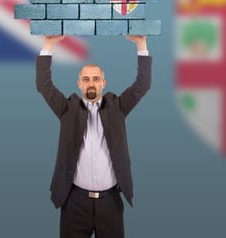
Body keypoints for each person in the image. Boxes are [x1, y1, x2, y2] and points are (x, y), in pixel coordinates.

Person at [36, 35, 152, 238]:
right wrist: (49, 45)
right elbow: (44, 86)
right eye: (87, 79)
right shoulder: (67, 109)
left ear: (103, 83)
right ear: (79, 83)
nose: (91, 83)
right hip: (74, 202)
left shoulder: (118, 106)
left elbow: (142, 85)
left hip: (111, 203)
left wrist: (141, 45)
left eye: (96, 79)